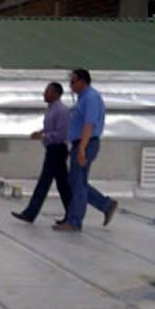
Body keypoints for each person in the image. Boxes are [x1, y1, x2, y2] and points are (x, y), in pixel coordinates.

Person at [53, 69, 117, 232]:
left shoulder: (90, 98)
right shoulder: (83, 98)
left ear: (83, 81)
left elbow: (89, 124)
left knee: (77, 184)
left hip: (86, 144)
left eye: (73, 82)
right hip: (80, 143)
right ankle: (105, 205)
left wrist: (81, 148)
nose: (71, 85)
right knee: (77, 182)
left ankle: (75, 221)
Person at [12, 82, 71, 223]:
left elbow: (61, 134)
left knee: (44, 183)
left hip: (57, 150)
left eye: (48, 92)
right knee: (63, 184)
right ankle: (72, 215)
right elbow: (51, 129)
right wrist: (41, 132)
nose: (45, 94)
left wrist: (44, 136)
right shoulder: (51, 109)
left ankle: (30, 213)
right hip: (52, 149)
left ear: (56, 94)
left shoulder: (61, 110)